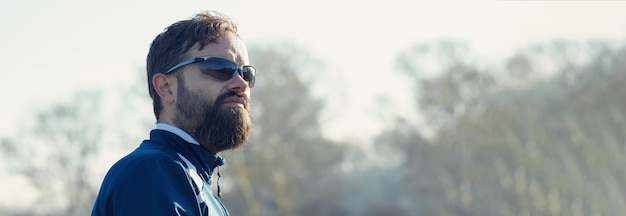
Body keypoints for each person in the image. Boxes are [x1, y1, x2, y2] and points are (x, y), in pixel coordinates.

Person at [92, 10, 256, 216]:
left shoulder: (186, 177)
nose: (241, 83)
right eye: (219, 67)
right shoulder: (149, 173)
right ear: (166, 88)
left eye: (246, 73)